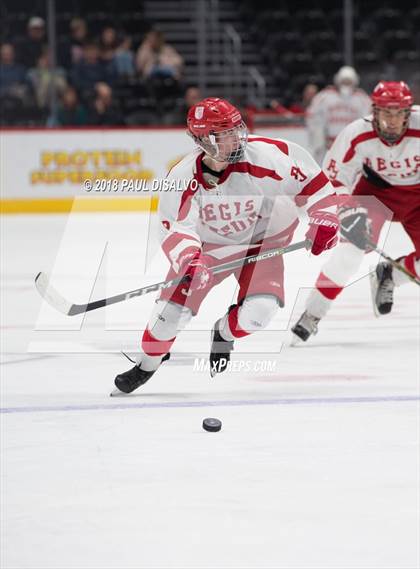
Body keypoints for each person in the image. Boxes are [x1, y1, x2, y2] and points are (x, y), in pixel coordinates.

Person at [113, 97, 340, 394]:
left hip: (260, 243)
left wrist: (324, 218)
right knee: (168, 318)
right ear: (203, 139)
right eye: (225, 134)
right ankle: (148, 364)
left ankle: (223, 332)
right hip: (208, 250)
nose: (236, 138)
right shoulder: (182, 177)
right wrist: (190, 260)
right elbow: (174, 228)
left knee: (260, 312)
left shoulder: (270, 156)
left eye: (236, 129)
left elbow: (317, 186)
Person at [291, 81, 420, 342]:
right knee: (349, 255)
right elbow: (335, 179)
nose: (393, 121)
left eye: (399, 114)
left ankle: (390, 274)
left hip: (417, 199)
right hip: (374, 196)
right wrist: (347, 212)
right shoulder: (355, 132)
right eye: (386, 113)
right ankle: (312, 313)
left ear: (409, 113)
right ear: (374, 111)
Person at [306, 66, 371, 164]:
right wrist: (319, 139)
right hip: (327, 146)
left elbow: (368, 122)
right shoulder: (324, 96)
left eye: (349, 81)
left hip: (353, 146)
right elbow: (313, 117)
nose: (346, 84)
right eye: (344, 81)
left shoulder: (362, 99)